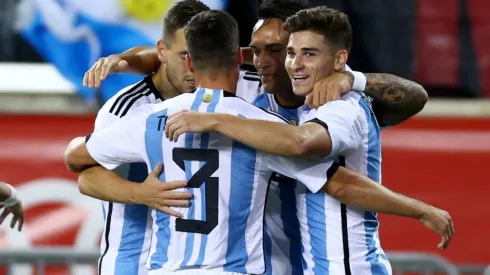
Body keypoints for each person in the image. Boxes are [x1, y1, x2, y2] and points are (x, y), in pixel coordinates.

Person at [163, 6, 454, 275]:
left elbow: (305, 145)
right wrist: (138, 59)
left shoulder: (342, 106)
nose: (294, 63)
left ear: (339, 59)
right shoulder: (271, 97)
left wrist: (216, 119)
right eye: (291, 53)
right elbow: (198, 56)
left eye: (309, 54)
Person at [76, 2, 212, 275]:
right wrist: (140, 193)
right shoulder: (126, 109)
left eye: (203, 56)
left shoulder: (212, 100)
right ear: (162, 51)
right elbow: (86, 176)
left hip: (193, 264)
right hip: (135, 262)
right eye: (184, 55)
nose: (194, 68)